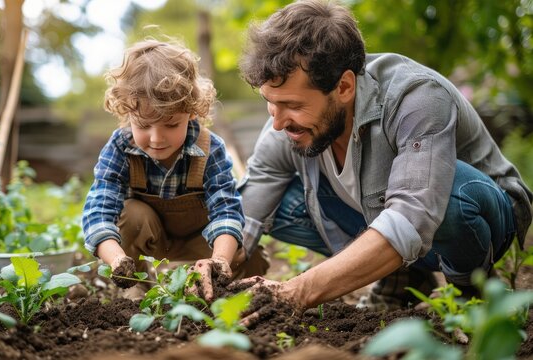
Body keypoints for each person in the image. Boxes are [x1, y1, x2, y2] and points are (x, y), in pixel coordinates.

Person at [233, 0, 532, 321]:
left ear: (344, 86)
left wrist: (298, 291)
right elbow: (251, 202)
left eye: (291, 104)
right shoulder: (290, 117)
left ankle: (471, 292)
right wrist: (219, 264)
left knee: (447, 194)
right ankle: (399, 276)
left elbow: (413, 213)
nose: (277, 122)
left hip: (485, 214)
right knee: (278, 202)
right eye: (270, 102)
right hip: (392, 215)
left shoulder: (417, 97)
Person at [81, 39, 269, 301]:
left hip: (202, 243)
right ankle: (135, 289)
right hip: (150, 241)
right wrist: (117, 260)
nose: (157, 139)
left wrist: (220, 261)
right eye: (144, 125)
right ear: (127, 112)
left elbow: (226, 210)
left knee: (246, 253)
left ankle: (220, 290)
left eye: (171, 125)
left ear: (191, 112)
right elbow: (99, 211)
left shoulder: (209, 148)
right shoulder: (120, 147)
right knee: (130, 213)